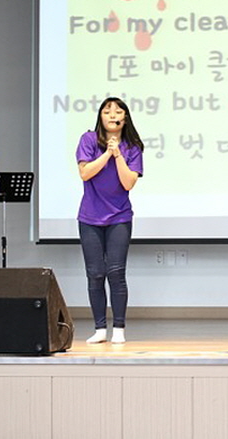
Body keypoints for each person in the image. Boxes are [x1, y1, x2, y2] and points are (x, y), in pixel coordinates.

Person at [76, 97, 144, 344]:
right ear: (100, 116)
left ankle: (119, 329)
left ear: (125, 118)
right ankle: (99, 328)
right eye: (107, 111)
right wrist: (107, 153)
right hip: (90, 217)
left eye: (118, 111)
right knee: (95, 274)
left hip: (119, 217)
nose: (112, 115)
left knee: (116, 272)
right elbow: (85, 173)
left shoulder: (133, 147)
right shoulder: (88, 139)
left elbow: (128, 183)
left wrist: (118, 155)